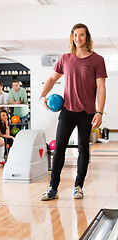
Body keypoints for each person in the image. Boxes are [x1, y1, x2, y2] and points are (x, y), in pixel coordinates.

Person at [40, 23, 107, 201]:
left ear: (87, 38)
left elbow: (101, 87)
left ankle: (78, 186)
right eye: (75, 35)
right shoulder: (65, 58)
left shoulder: (97, 60)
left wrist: (100, 112)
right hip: (67, 111)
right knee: (59, 148)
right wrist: (42, 96)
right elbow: (52, 79)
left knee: (83, 148)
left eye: (81, 35)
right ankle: (53, 188)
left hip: (87, 113)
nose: (78, 38)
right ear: (72, 37)